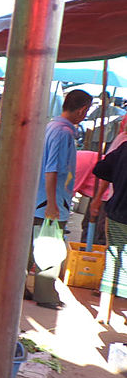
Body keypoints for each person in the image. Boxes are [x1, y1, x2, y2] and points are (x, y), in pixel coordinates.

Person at [28, 89, 93, 310]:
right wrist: (53, 204)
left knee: (34, 247)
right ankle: (45, 295)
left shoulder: (52, 127)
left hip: (43, 199)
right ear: (82, 109)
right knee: (49, 248)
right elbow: (52, 169)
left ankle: (27, 289)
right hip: (49, 201)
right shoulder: (62, 132)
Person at [90, 135, 127, 323]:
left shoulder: (123, 148)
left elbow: (102, 169)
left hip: (117, 214)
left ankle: (103, 312)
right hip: (119, 214)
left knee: (113, 259)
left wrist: (97, 198)